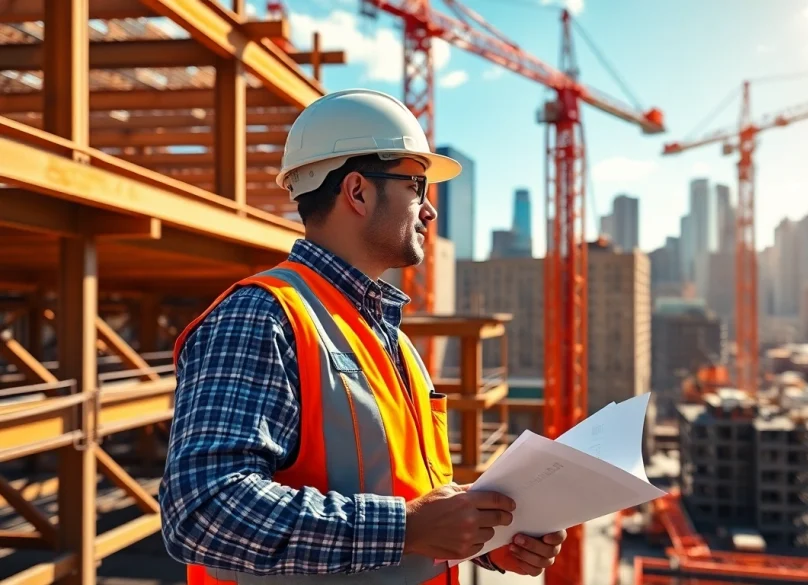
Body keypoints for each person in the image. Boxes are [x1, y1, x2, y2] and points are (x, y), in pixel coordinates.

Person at [158, 89, 567, 584]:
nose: (430, 211)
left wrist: (484, 537)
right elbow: (202, 509)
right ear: (357, 191)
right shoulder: (262, 315)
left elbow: (407, 495)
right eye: (416, 186)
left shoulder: (387, 337)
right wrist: (405, 528)